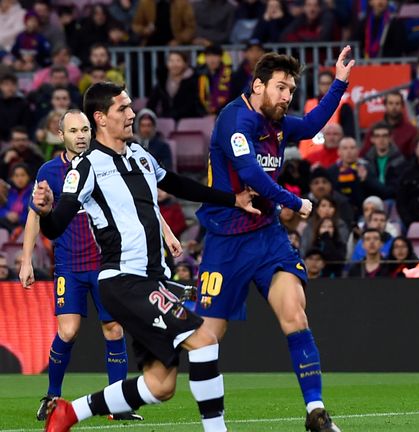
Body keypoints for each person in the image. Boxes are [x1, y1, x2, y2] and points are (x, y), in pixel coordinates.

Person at [34, 82, 260, 431]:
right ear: (101, 118)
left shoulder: (140, 155)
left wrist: (233, 200)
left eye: (130, 106)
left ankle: (70, 412)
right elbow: (58, 223)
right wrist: (46, 212)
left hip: (150, 280)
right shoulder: (86, 166)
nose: (131, 113)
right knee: (204, 341)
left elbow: (179, 184)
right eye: (122, 108)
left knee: (160, 385)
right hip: (124, 280)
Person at [193, 48, 354, 431]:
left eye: (291, 89)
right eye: (281, 87)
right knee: (207, 337)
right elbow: (249, 171)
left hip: (267, 237)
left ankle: (316, 411)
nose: (287, 96)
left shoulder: (278, 122)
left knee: (295, 315)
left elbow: (313, 125)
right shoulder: (235, 119)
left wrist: (340, 83)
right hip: (225, 238)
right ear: (258, 85)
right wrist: (293, 201)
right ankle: (213, 427)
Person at [21, 109, 143, 422]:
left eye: (85, 129)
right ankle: (52, 397)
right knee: (69, 330)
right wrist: (26, 261)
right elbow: (35, 215)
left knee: (113, 329)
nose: (80, 136)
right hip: (70, 265)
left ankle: (117, 405)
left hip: (106, 264)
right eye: (73, 130)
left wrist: (164, 235)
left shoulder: (106, 163)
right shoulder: (49, 171)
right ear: (61, 135)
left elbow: (136, 203)